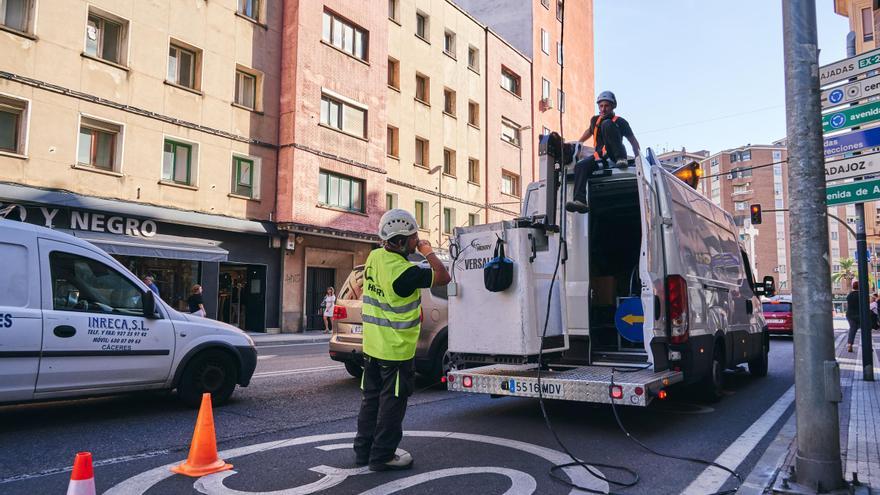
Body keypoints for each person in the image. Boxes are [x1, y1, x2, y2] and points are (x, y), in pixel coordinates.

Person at [353, 209, 451, 472]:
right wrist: (428, 251)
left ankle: (363, 451)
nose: (416, 239)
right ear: (401, 240)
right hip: (395, 352)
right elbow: (443, 277)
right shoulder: (405, 273)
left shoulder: (374, 257)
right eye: (413, 236)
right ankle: (383, 455)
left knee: (370, 401)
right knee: (391, 406)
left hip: (372, 348)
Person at [566, 91, 641, 214]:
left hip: (615, 155)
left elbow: (633, 142)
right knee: (580, 166)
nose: (603, 109)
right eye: (601, 106)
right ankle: (580, 201)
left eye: (606, 106)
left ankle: (620, 159)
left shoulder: (620, 122)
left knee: (607, 123)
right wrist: (578, 143)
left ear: (613, 106)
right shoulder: (595, 120)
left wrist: (639, 161)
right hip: (601, 157)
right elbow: (589, 131)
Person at [846, 280, 861, 352]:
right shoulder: (861, 295)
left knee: (852, 329)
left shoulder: (849, 295)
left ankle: (849, 344)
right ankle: (867, 346)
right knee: (865, 330)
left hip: (850, 315)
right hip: (860, 314)